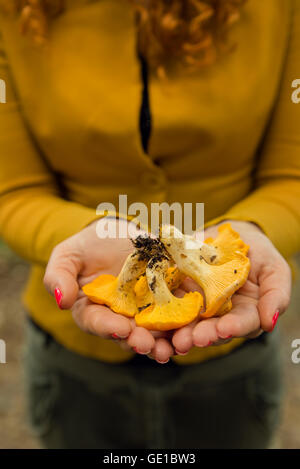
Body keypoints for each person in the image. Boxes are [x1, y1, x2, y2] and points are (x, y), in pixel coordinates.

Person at [0, 0, 298, 449]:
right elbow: (13, 191)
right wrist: (85, 236)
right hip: (73, 357)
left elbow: (291, 176)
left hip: (231, 365)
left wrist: (253, 227)